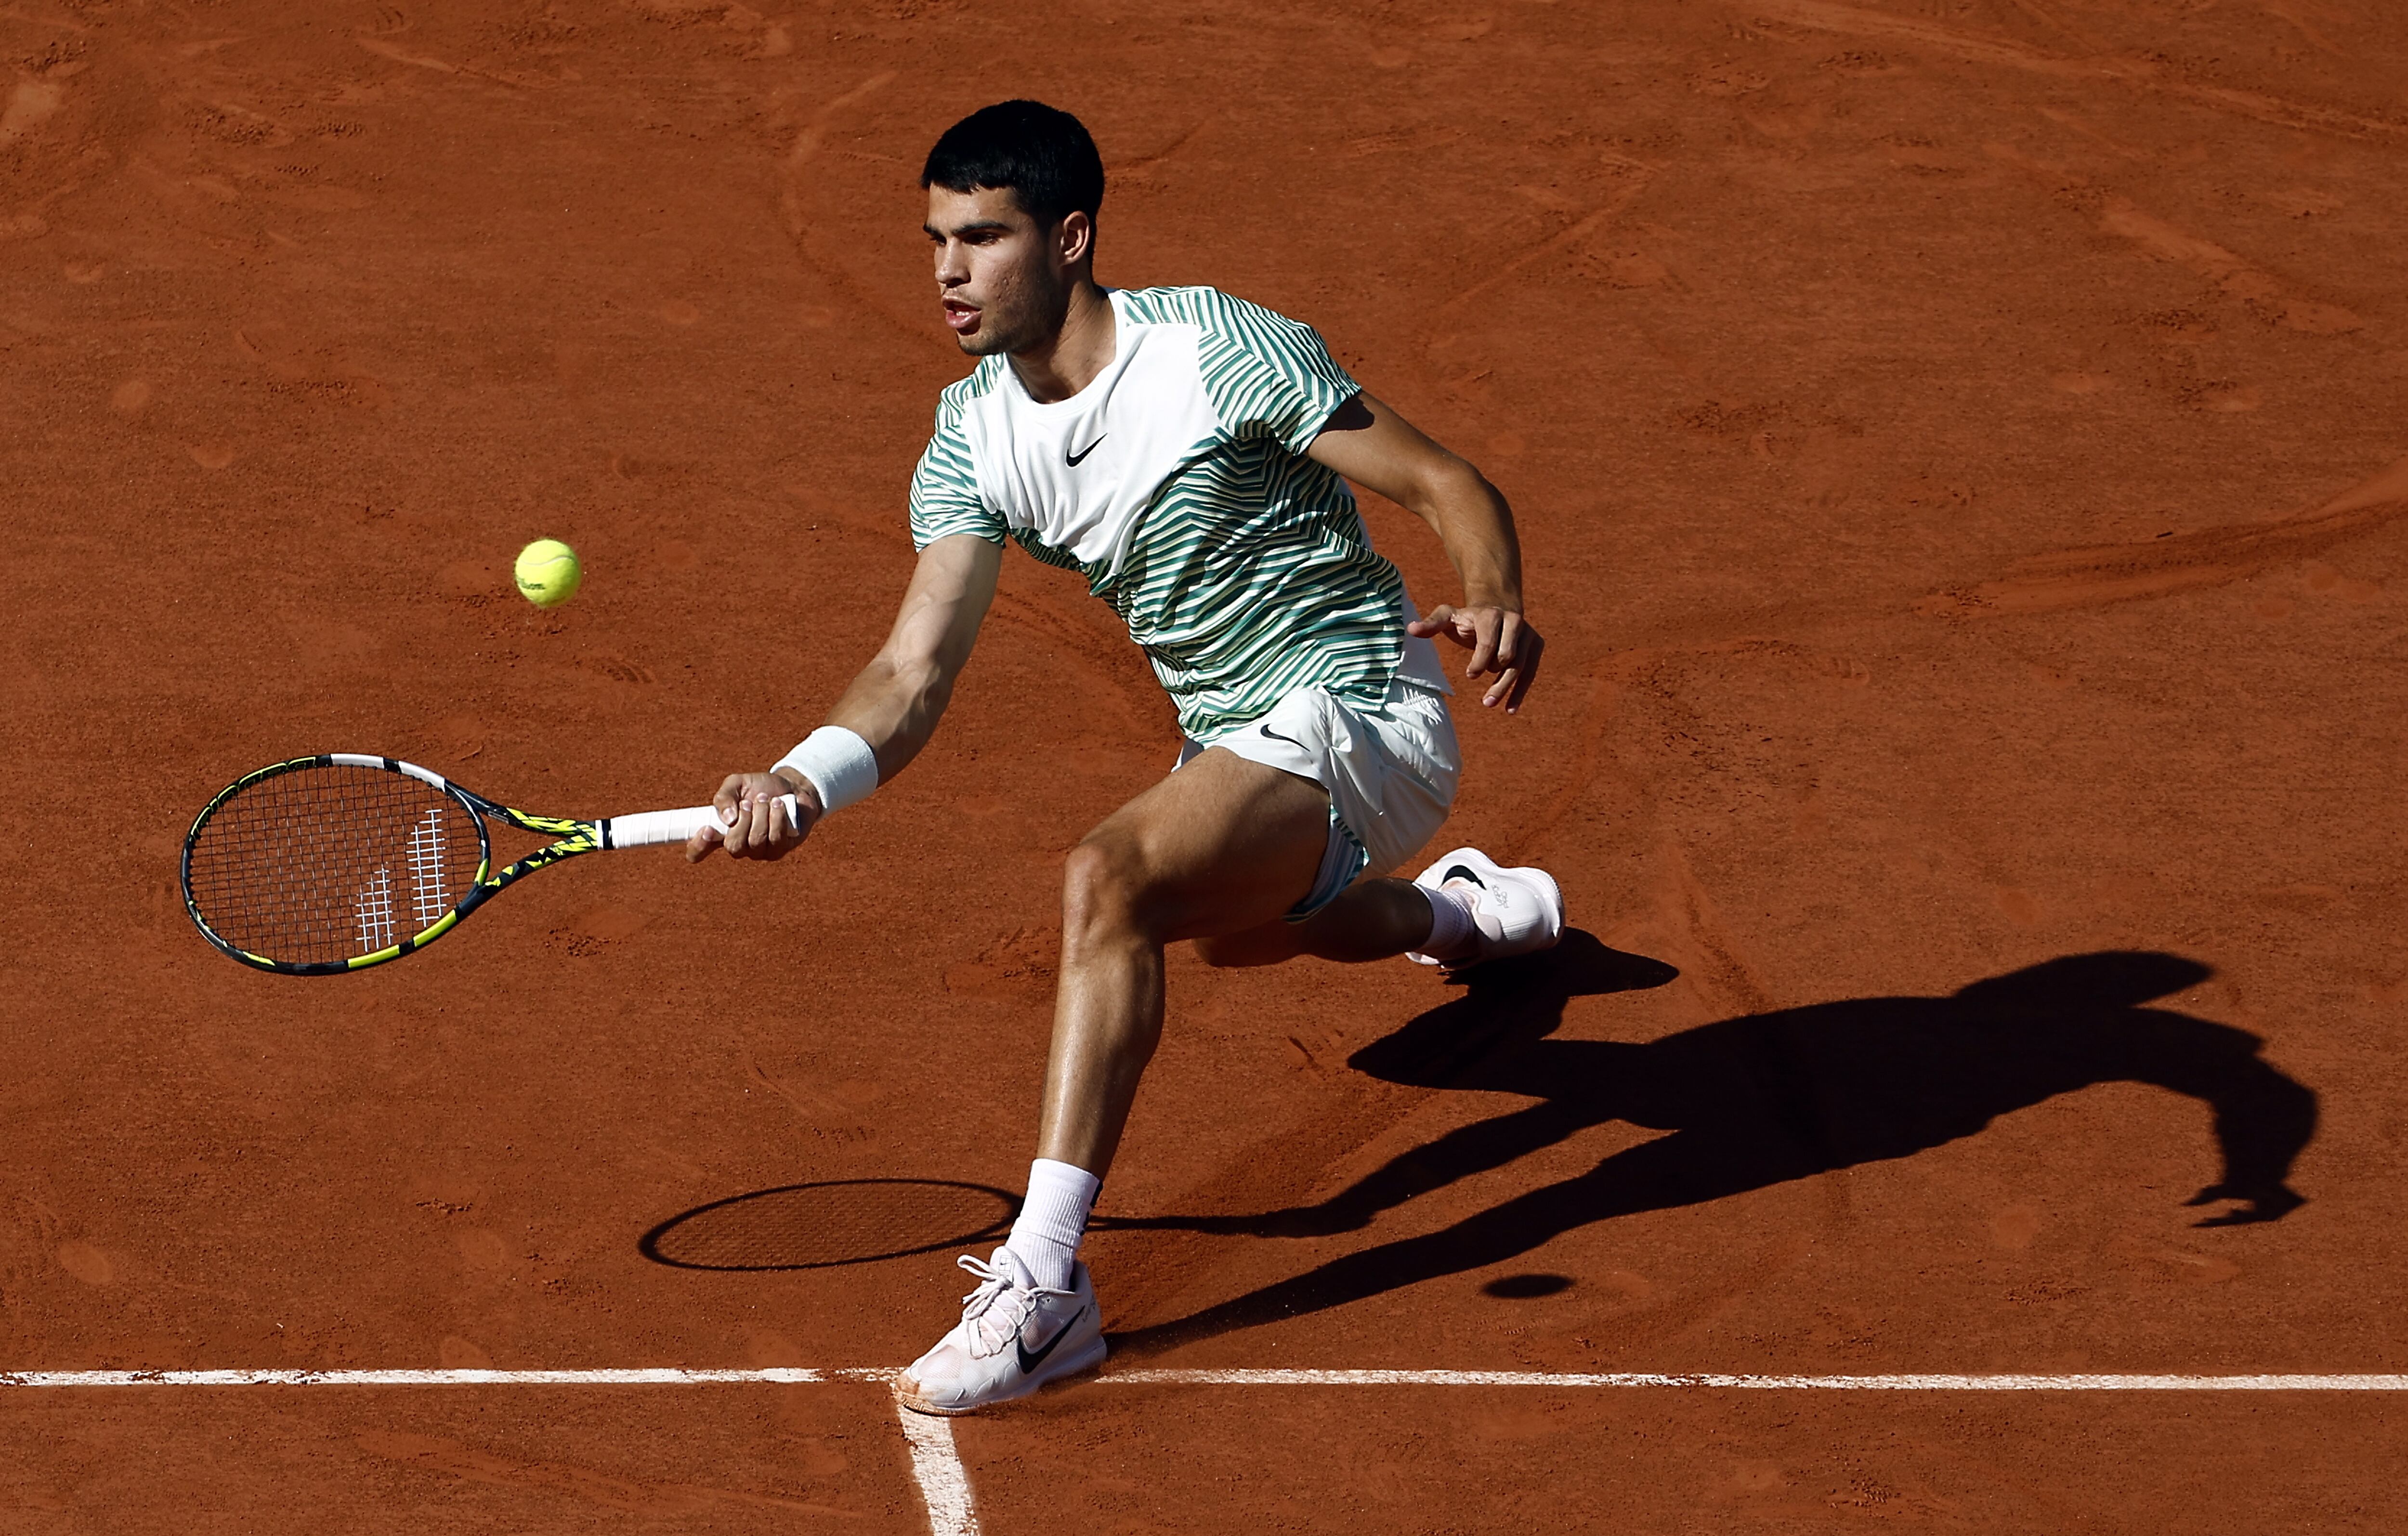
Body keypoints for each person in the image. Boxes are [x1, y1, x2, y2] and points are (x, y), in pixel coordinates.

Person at [687, 99, 1562, 1415]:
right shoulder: (974, 435)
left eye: (983, 239)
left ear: (1073, 236)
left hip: (1367, 703)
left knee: (1110, 880)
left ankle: (1047, 1293)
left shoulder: (1213, 351)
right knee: (1239, 933)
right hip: (1241, 741)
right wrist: (805, 777)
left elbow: (1448, 486)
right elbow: (911, 671)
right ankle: (1465, 912)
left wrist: (1489, 591)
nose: (947, 271)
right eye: (936, 239)